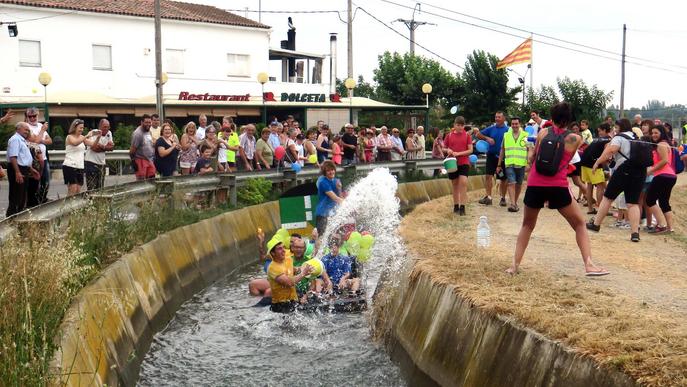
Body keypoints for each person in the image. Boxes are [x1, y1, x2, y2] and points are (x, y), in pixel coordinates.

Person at [507, 102, 609, 276]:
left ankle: (515, 266)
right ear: (570, 119)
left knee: (527, 225)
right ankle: (589, 265)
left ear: (552, 117)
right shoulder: (576, 139)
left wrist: (531, 151)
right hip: (557, 185)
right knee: (579, 224)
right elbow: (569, 158)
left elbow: (533, 158)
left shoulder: (542, 133)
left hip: (535, 183)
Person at [587, 118, 646, 242]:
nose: (614, 129)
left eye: (616, 127)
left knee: (608, 197)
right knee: (632, 203)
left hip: (624, 170)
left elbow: (611, 150)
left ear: (620, 127)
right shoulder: (635, 137)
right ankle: (635, 233)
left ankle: (596, 224)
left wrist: (597, 162)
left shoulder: (618, 137)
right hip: (639, 171)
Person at [645, 125, 677, 233]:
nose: (653, 135)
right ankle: (670, 227)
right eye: (652, 133)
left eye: (656, 133)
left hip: (663, 176)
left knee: (650, 200)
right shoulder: (664, 144)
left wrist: (650, 170)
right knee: (664, 202)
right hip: (670, 176)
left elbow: (664, 161)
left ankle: (661, 224)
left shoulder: (661, 144)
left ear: (662, 133)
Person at [266, 239, 313, 313]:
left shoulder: (287, 259)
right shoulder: (273, 268)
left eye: (283, 247)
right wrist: (303, 273)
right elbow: (289, 283)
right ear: (273, 253)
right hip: (280, 304)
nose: (283, 250)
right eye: (279, 249)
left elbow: (293, 270)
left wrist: (303, 268)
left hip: (293, 300)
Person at [6, 122, 40, 216]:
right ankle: (12, 217)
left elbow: (23, 158)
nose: (27, 131)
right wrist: (17, 172)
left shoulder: (22, 140)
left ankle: (19, 215)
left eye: (28, 130)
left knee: (22, 194)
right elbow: (13, 157)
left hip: (23, 168)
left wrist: (31, 169)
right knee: (16, 194)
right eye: (25, 129)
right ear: (18, 129)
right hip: (17, 168)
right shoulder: (15, 139)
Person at [476, 111, 509, 206]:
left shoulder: (508, 130)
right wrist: (487, 138)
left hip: (502, 157)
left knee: (503, 179)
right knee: (488, 176)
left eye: (499, 117)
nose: (497, 119)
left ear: (503, 119)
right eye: (496, 117)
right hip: (491, 156)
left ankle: (503, 198)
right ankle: (488, 197)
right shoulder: (491, 129)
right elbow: (478, 134)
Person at [496, 117, 528, 212]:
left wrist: (529, 163)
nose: (514, 125)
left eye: (516, 124)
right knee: (511, 183)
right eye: (513, 124)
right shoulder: (506, 135)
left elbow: (529, 149)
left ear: (519, 124)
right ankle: (513, 204)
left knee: (518, 184)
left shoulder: (525, 135)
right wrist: (499, 164)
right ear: (510, 125)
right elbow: (502, 150)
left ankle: (515, 202)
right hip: (509, 163)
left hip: (521, 164)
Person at [443, 116, 473, 215]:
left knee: (463, 182)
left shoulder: (467, 136)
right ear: (454, 125)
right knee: (455, 184)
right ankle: (456, 205)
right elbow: (444, 148)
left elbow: (470, 150)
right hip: (452, 162)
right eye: (458, 125)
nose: (459, 127)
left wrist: (459, 153)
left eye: (461, 125)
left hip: (464, 161)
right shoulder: (449, 135)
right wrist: (448, 150)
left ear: (464, 126)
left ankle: (463, 207)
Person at [580, 123, 611, 214]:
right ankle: (602, 211)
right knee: (600, 186)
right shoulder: (608, 140)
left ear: (605, 130)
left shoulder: (597, 139)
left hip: (584, 162)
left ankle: (590, 209)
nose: (599, 132)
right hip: (594, 164)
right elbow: (606, 154)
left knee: (589, 185)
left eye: (600, 130)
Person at [25, 107, 52, 203]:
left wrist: (41, 139)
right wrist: (42, 131)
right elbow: (35, 141)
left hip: (44, 157)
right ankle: (33, 201)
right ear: (27, 117)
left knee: (46, 180)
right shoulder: (26, 127)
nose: (32, 118)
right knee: (35, 181)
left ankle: (43, 198)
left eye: (34, 116)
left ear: (38, 115)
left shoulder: (40, 125)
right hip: (33, 159)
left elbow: (49, 140)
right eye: (30, 116)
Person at [84, 118, 114, 190]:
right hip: (91, 162)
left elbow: (111, 148)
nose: (106, 129)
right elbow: (94, 148)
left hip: (102, 164)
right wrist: (105, 147)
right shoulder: (93, 133)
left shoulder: (109, 133)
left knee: (100, 188)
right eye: (104, 127)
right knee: (91, 188)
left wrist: (101, 146)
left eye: (108, 127)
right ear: (100, 126)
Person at [315, 161, 344, 235]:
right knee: (321, 235)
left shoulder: (337, 181)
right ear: (325, 172)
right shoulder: (323, 182)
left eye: (332, 169)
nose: (331, 172)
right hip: (323, 213)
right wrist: (348, 203)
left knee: (336, 236)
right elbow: (335, 198)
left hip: (333, 213)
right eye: (328, 171)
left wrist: (339, 188)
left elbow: (339, 197)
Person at [63, 119, 87, 195]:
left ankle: (75, 207)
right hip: (70, 165)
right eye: (80, 127)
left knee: (78, 190)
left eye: (82, 128)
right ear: (75, 127)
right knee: (73, 189)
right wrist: (87, 136)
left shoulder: (82, 137)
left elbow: (92, 144)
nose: (81, 129)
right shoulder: (69, 137)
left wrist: (98, 137)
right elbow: (75, 143)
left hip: (80, 166)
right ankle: (67, 206)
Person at [130, 114, 156, 180]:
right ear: (141, 122)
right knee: (141, 183)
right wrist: (134, 163)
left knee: (152, 180)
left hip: (149, 160)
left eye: (149, 122)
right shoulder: (138, 134)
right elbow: (132, 150)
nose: (148, 124)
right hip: (140, 160)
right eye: (146, 122)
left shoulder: (149, 131)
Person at [566, 122, 588, 203]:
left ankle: (586, 197)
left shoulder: (577, 137)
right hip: (575, 160)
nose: (575, 130)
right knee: (577, 182)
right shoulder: (572, 136)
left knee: (578, 182)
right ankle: (588, 197)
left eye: (576, 128)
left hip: (573, 161)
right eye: (573, 129)